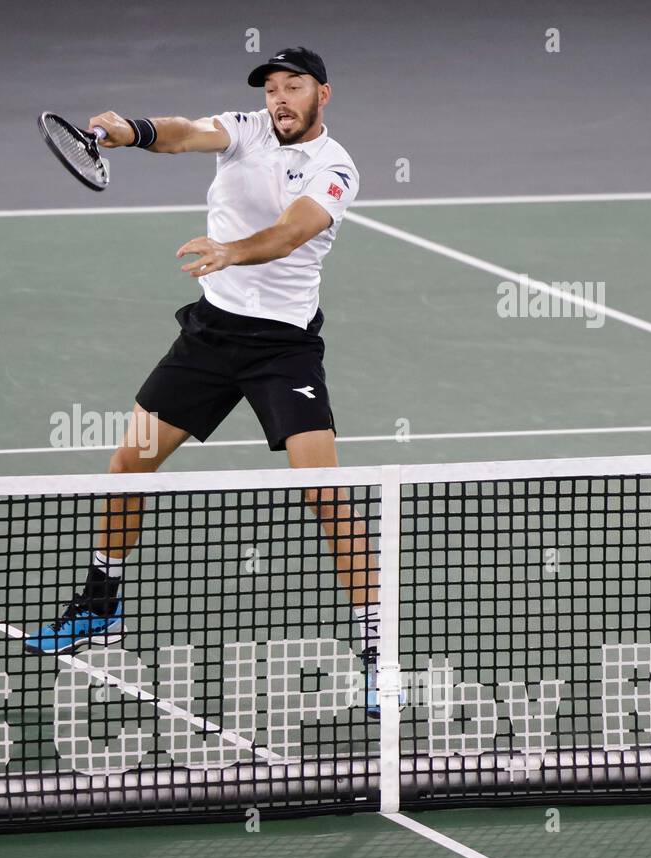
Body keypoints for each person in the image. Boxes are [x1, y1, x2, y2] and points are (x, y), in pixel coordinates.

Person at [27, 47, 385, 715]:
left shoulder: (336, 169)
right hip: (211, 336)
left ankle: (375, 652)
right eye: (272, 88)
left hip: (284, 349)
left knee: (327, 495)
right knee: (129, 461)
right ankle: (102, 601)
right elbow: (188, 133)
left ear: (322, 96)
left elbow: (291, 232)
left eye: (293, 87)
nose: (279, 98)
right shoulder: (246, 129)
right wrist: (126, 130)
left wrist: (231, 251)